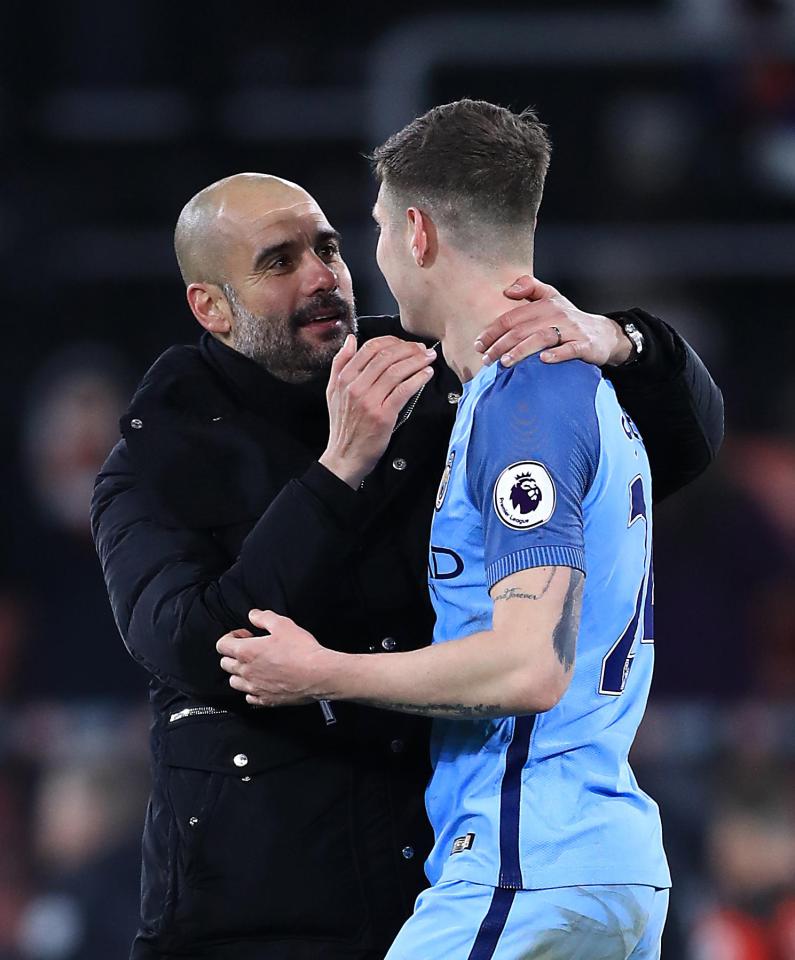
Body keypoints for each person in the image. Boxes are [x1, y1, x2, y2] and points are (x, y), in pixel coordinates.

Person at [92, 171, 722, 960]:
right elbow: (196, 646)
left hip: (436, 881)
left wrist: (620, 339)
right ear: (211, 307)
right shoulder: (156, 456)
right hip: (254, 915)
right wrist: (337, 473)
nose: (323, 276)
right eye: (279, 262)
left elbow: (680, 447)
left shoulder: (434, 375)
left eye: (327, 247)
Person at [218, 102, 684, 959]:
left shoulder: (524, 399)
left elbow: (528, 663)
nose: (378, 257)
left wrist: (320, 671)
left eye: (379, 231)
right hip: (586, 863)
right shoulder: (563, 388)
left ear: (420, 232)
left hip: (526, 866)